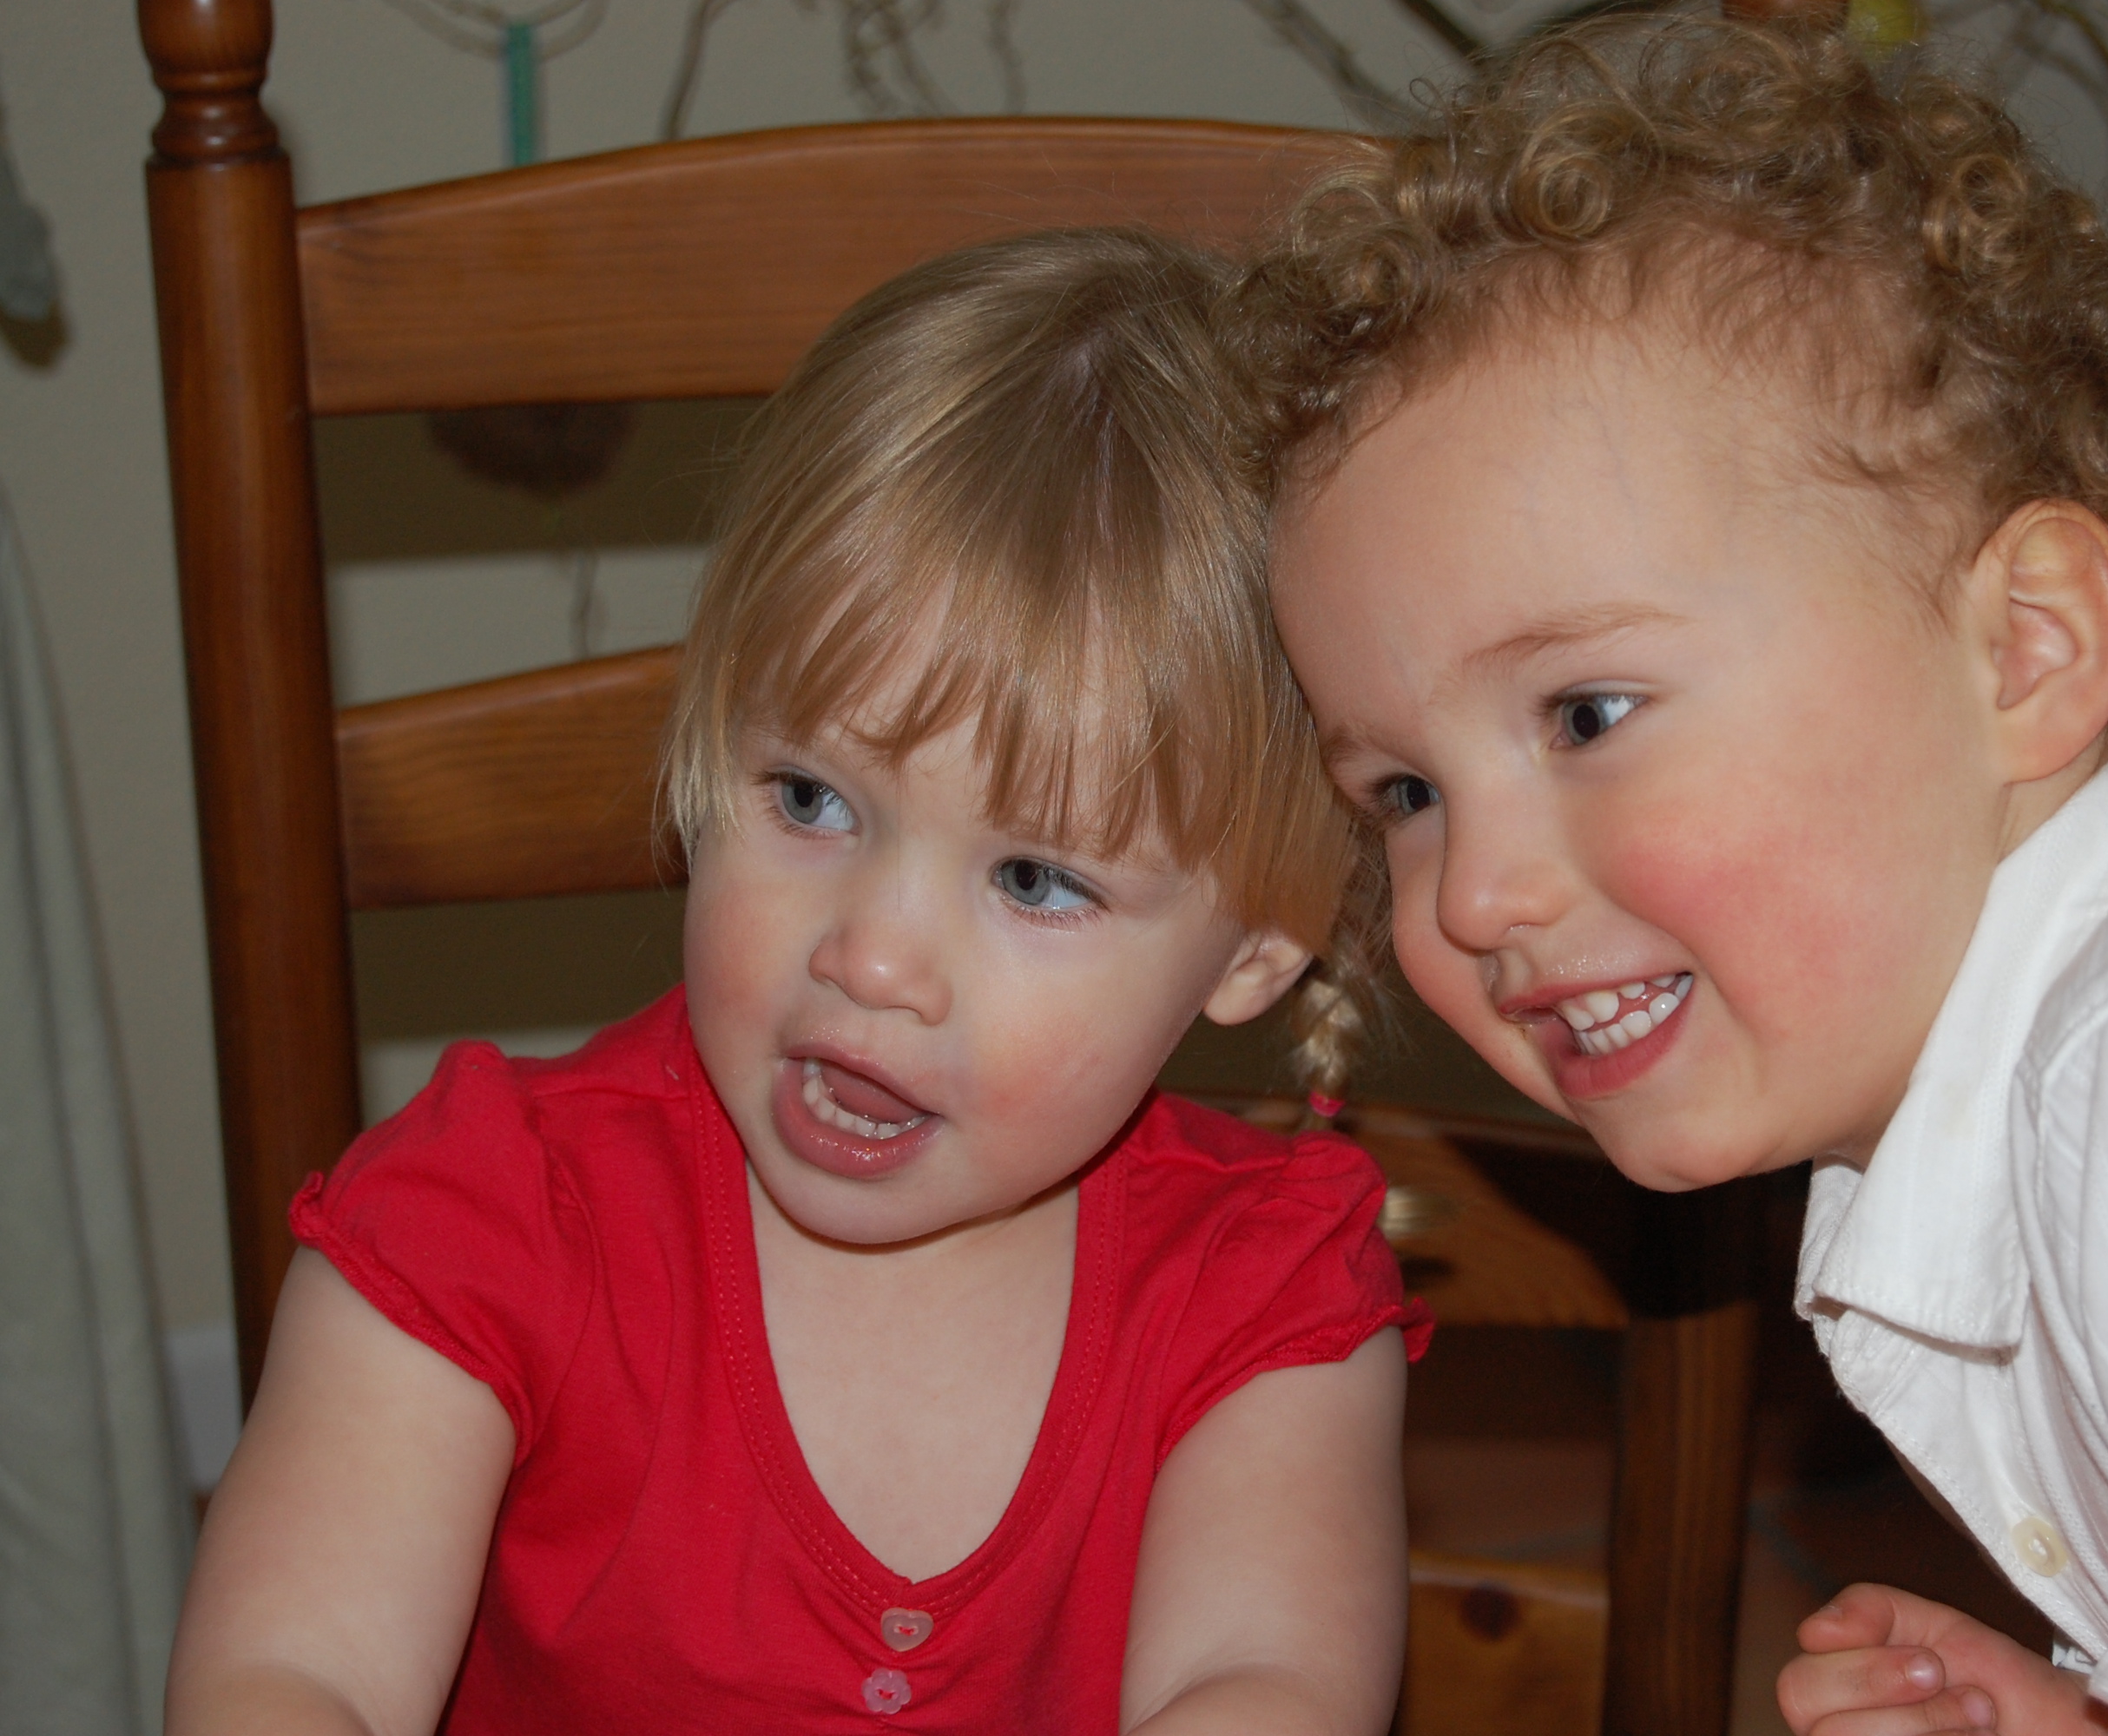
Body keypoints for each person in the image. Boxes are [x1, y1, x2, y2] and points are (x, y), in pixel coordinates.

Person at [1237, 16, 2108, 1736]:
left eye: (1587, 713)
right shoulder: (2075, 1085)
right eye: (1405, 792)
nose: (1470, 898)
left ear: (2026, 647)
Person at [167, 228, 1426, 1736]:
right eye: (812, 800)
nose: (871, 957)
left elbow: (1268, 1686)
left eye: (1035, 880)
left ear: (1260, 947)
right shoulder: (489, 1219)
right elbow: (287, 1675)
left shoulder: (1263, 1299)